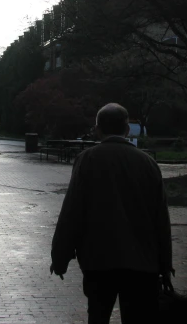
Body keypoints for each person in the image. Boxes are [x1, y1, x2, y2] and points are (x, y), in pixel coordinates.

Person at [50, 102, 173, 324]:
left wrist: (60, 256)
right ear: (126, 130)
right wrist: (165, 264)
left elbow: (72, 212)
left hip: (99, 262)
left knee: (98, 316)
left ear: (98, 129)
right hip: (141, 264)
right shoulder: (148, 163)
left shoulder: (87, 160)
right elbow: (161, 219)